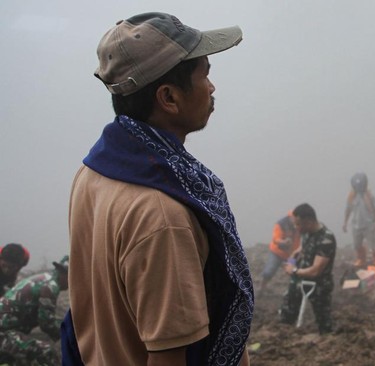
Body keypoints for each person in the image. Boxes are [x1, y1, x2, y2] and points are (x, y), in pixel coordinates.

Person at [65, 12, 252, 366]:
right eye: (204, 76)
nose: (211, 87)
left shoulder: (92, 175)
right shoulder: (163, 215)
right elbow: (168, 355)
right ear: (169, 97)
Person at [0, 256, 68, 366]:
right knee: (47, 352)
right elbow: (46, 323)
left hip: (8, 331)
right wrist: (66, 337)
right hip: (4, 334)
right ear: (65, 275)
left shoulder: (43, 278)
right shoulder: (50, 286)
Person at [281, 203, 337, 334]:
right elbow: (299, 250)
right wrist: (290, 262)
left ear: (309, 222)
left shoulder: (326, 239)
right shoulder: (306, 233)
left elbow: (316, 270)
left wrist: (294, 271)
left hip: (319, 285)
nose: (296, 227)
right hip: (300, 280)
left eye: (298, 224)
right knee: (286, 316)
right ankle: (285, 338)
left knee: (324, 324)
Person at [343, 172, 375, 267]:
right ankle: (361, 259)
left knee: (373, 244)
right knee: (357, 245)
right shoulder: (351, 197)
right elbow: (348, 210)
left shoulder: (369, 196)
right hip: (356, 225)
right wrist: (345, 222)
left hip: (369, 224)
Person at [259, 212, 301, 293]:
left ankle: (294, 289)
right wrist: (283, 242)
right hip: (277, 253)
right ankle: (262, 287)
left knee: (294, 270)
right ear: (290, 217)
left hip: (291, 255)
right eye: (293, 218)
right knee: (269, 270)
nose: (295, 221)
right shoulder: (280, 224)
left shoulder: (300, 226)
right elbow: (276, 239)